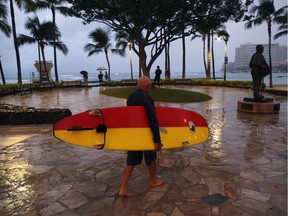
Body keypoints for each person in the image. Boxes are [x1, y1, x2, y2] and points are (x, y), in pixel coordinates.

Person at [119, 76, 165, 197]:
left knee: (131, 161)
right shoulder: (146, 97)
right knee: (151, 157)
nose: (150, 88)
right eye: (149, 86)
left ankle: (123, 188)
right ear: (147, 86)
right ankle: (153, 180)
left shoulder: (130, 97)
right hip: (145, 133)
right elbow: (152, 119)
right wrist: (157, 140)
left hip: (134, 133)